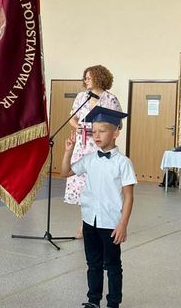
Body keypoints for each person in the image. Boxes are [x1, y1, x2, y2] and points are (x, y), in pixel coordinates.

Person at [61, 106, 136, 308]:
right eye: (94, 132)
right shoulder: (90, 159)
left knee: (112, 265)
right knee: (93, 264)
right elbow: (65, 172)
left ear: (116, 133)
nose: (96, 135)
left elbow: (129, 197)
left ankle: (113, 303)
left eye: (102, 131)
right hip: (89, 220)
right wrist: (68, 151)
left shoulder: (123, 163)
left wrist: (123, 224)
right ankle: (93, 300)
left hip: (111, 222)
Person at [65, 65, 122, 238]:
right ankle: (85, 225)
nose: (86, 81)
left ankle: (102, 223)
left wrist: (100, 129)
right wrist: (82, 127)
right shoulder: (81, 97)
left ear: (99, 78)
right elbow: (72, 119)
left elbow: (118, 124)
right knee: (82, 187)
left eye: (89, 78)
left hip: (100, 146)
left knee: (98, 185)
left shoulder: (110, 99)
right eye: (85, 78)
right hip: (82, 147)